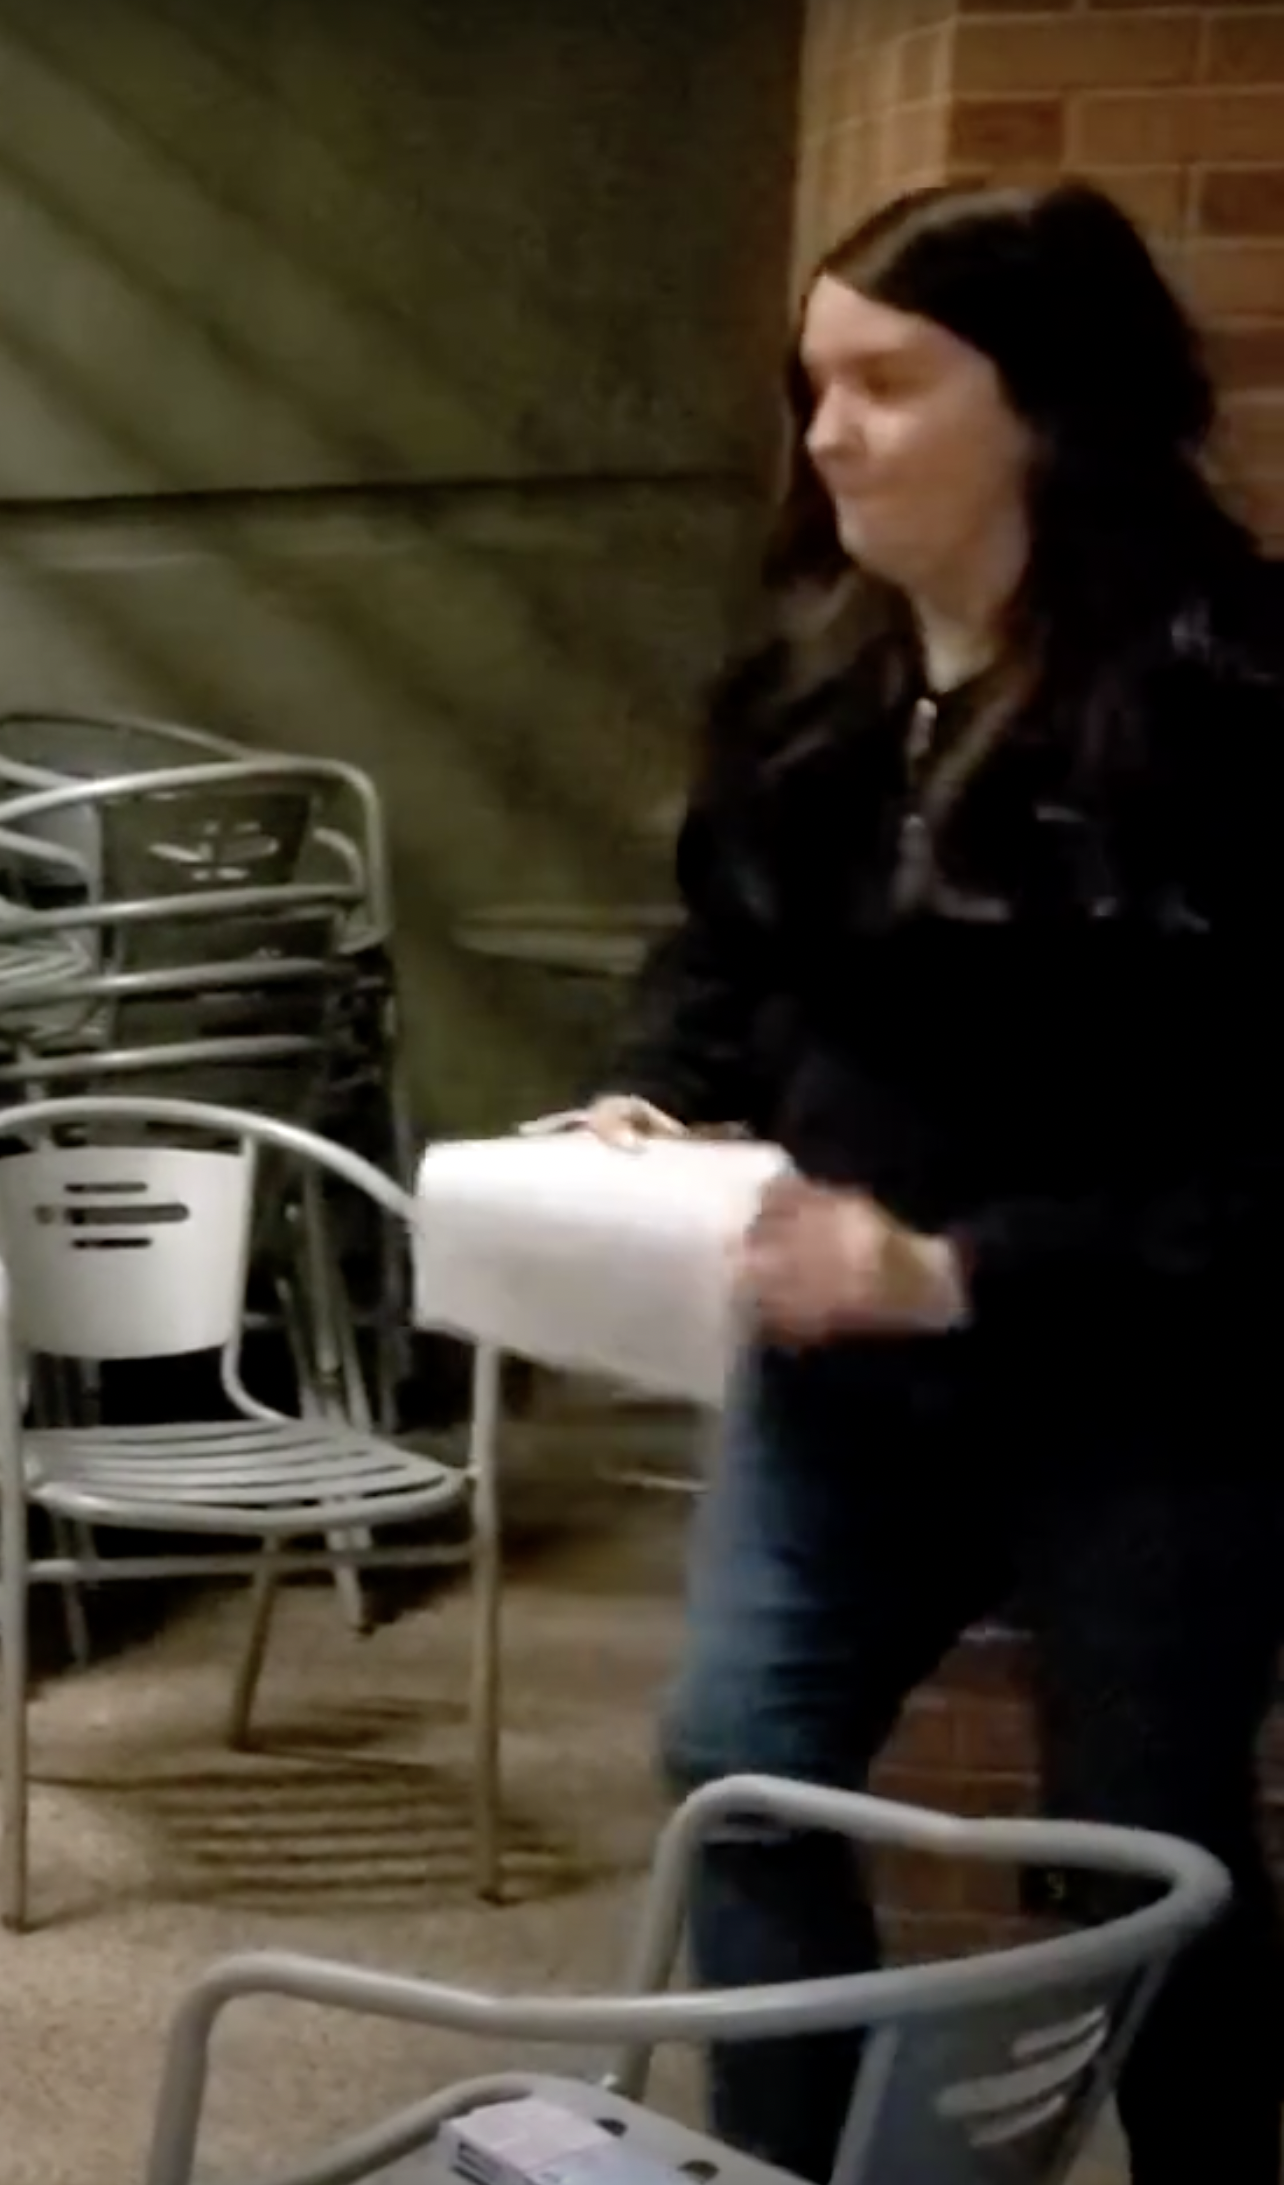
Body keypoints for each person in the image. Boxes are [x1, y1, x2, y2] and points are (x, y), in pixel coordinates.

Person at [578, 176, 1284, 2182]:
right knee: (737, 1771)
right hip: (845, 1382)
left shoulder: (1228, 698)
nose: (823, 436)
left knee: (1139, 1852)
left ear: (1044, 402)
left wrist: (959, 1266)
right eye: (812, 385)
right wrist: (647, 1092)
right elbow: (716, 951)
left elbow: (1258, 1162)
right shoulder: (818, 678)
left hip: (1151, 1384)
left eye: (885, 384)